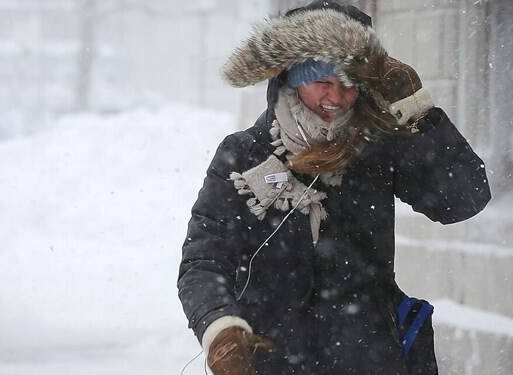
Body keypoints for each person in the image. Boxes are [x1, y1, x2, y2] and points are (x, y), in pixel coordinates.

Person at [177, 1, 490, 374]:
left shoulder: (377, 148)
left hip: (369, 358)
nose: (336, 98)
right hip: (272, 361)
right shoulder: (244, 153)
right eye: (322, 81)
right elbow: (204, 260)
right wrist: (220, 328)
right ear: (291, 79)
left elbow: (463, 199)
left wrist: (416, 108)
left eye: (349, 84)